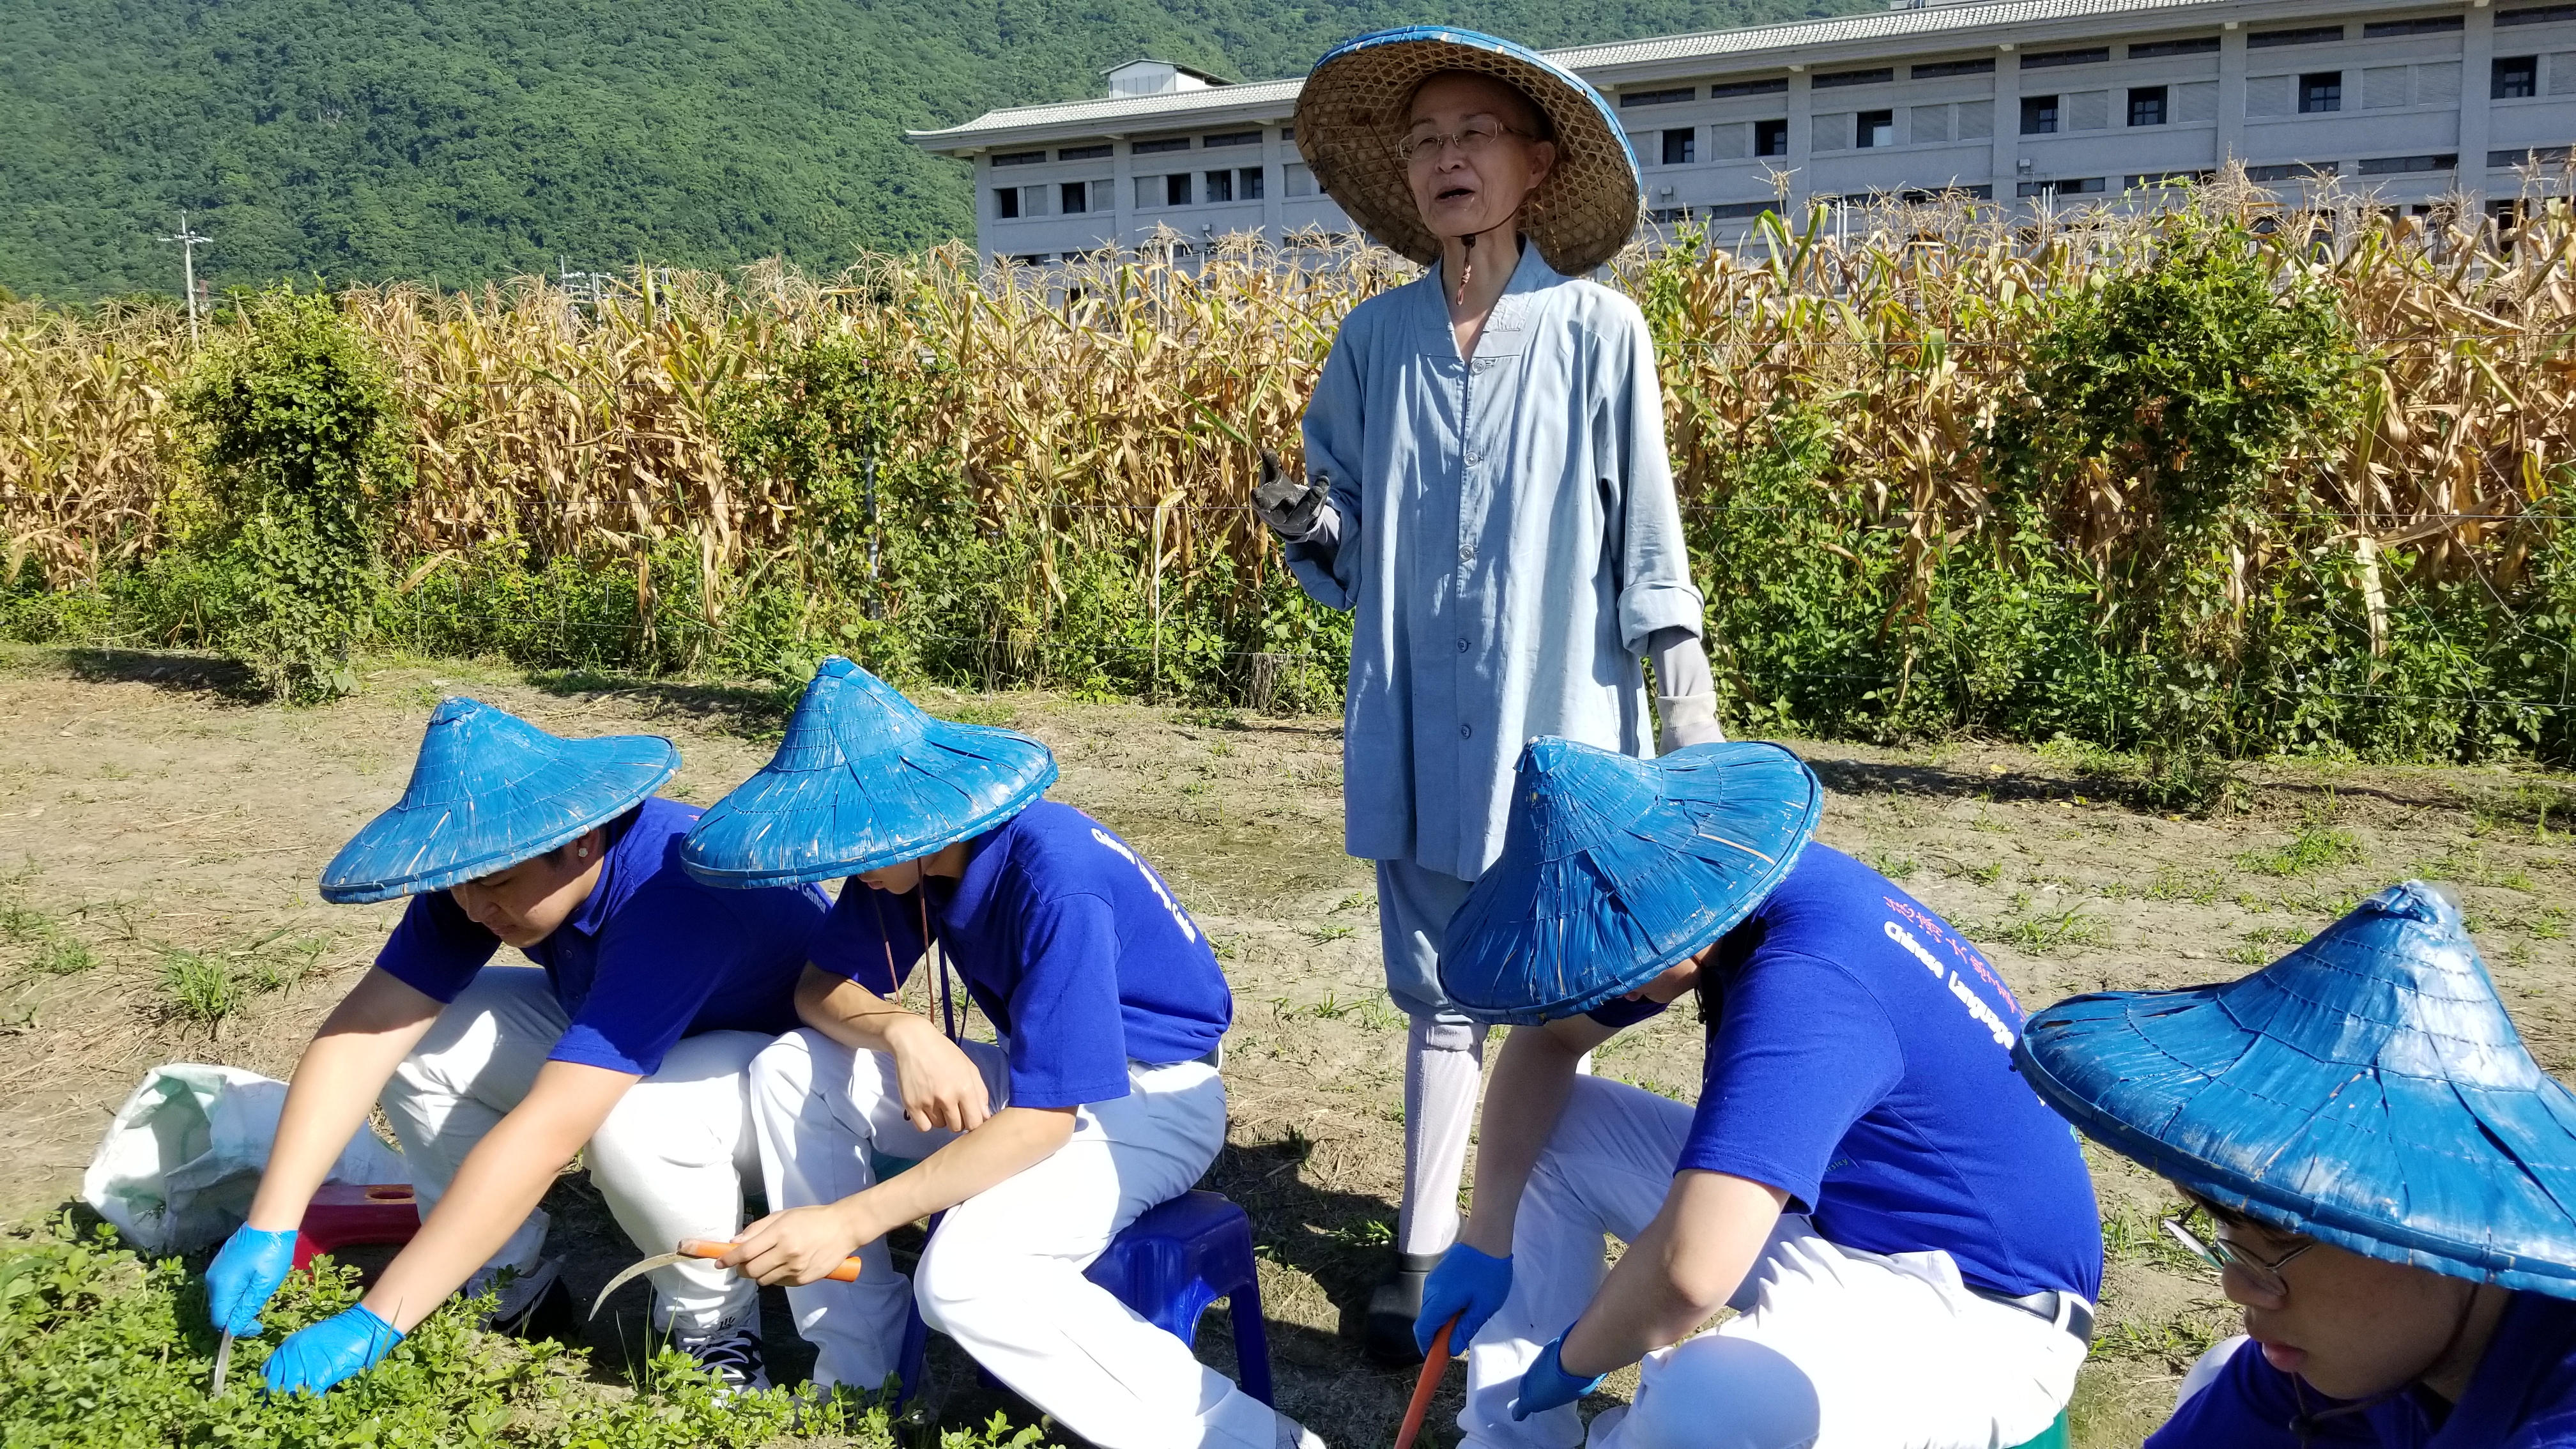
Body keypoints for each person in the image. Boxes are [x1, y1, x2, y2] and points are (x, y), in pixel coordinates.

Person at [1264, 27, 1726, 1361]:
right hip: (1411, 722)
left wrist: (1694, 750)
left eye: (1472, 135)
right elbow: (1342, 556)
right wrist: (1305, 524)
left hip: (1561, 734)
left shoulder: (1599, 334)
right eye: (1423, 141)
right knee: (1435, 998)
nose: (1447, 159)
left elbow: (1651, 553)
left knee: (1556, 1011)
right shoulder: (1371, 341)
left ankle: (1532, 1259)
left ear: (1534, 166)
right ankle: (1420, 1264)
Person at [677, 657, 1326, 1449]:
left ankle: (1252, 1440)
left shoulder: (1055, 879)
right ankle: (862, 1373)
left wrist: (847, 1221)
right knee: (791, 1070)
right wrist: (906, 1032)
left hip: (1153, 1097)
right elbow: (819, 991)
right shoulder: (907, 859)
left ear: (910, 816)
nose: (846, 865)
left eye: (854, 845)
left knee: (965, 1277)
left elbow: (1044, 1123)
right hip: (1040, 1070)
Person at [1422, 736, 2102, 1448]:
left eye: (1608, 966)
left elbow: (1691, 1274)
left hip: (1982, 1314)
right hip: (1850, 1221)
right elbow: (1551, 1041)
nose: (1600, 991)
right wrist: (1487, 1233)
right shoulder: (1730, 886)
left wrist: (1572, 1357)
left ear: (1675, 929)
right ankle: (1508, 1442)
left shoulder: (1808, 982)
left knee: (1710, 1399)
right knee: (1555, 1130)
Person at [200, 698, 829, 1395]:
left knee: (626, 1119)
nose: (472, 909)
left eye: (493, 885)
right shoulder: (490, 872)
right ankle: (508, 1283)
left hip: (783, 1092)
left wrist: (380, 1316)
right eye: (458, 884)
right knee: (423, 1041)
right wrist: (272, 1222)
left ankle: (713, 1326)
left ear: (583, 839)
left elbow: (553, 1130)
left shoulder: (676, 894)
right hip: (650, 1041)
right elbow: (368, 1028)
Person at [2014, 880, 2576, 1446]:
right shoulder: (2357, 1353)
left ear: (2442, 1228)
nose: (2237, 1285)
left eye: (2283, 1241)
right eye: (2230, 1232)